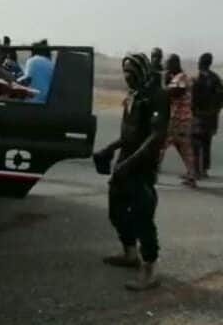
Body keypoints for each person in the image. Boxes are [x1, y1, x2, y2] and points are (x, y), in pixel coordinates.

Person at [93, 53, 169, 291]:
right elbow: (129, 134)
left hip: (142, 167)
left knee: (142, 216)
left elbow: (155, 137)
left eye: (131, 73)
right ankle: (129, 254)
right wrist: (109, 149)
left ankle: (150, 270)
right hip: (125, 163)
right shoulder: (133, 94)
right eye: (125, 73)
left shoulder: (157, 96)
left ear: (142, 71)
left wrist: (129, 163)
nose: (127, 78)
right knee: (116, 211)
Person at [161, 54, 197, 186]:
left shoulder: (181, 78)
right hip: (181, 119)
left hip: (178, 119)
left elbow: (177, 91)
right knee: (184, 148)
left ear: (175, 64)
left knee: (161, 145)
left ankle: (152, 173)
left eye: (168, 63)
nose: (166, 65)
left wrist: (164, 89)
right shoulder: (176, 77)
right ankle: (191, 175)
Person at [192, 53, 223, 178]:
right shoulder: (216, 79)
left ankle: (196, 170)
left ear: (201, 63)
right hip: (211, 117)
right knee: (206, 144)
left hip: (199, 116)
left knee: (195, 143)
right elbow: (221, 99)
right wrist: (215, 111)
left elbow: (193, 98)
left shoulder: (197, 78)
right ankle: (204, 169)